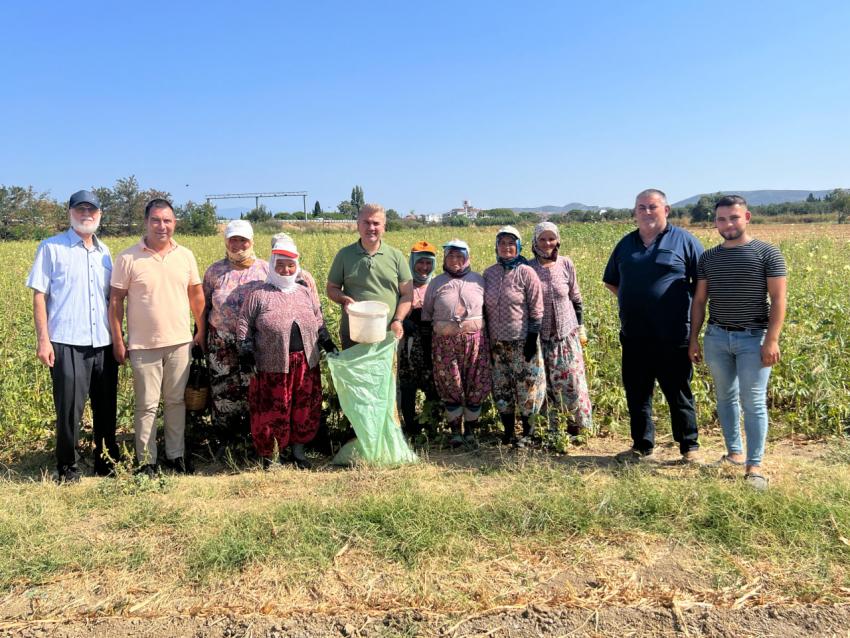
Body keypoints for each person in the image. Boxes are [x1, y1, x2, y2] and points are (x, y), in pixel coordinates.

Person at [688, 196, 787, 489]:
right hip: (717, 337)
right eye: (721, 219)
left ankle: (754, 466)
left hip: (754, 338)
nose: (728, 224)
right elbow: (699, 301)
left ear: (747, 217)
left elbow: (778, 299)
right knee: (725, 397)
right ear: (715, 222)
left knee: (753, 401)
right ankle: (734, 453)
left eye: (733, 217)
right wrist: (694, 339)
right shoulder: (708, 258)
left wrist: (772, 340)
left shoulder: (767, 253)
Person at [603, 189, 704, 463]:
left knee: (678, 392)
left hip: (673, 335)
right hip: (634, 335)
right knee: (637, 393)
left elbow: (702, 285)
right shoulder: (626, 244)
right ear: (635, 212)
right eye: (641, 207)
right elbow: (612, 281)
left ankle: (689, 447)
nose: (647, 212)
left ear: (666, 210)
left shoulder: (684, 241)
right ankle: (642, 446)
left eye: (653, 206)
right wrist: (637, 300)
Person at [26, 190, 119, 482]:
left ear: (100, 215)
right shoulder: (51, 248)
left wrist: (119, 338)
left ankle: (105, 461)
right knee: (69, 409)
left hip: (102, 342)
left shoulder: (105, 253)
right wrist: (43, 340)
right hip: (66, 342)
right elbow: (39, 296)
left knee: (106, 406)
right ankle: (68, 466)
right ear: (70, 213)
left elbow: (112, 299)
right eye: (80, 209)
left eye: (92, 210)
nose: (86, 214)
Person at [109, 198, 205, 476]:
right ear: (146, 222)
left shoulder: (185, 256)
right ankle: (146, 461)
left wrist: (201, 330)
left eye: (167, 220)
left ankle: (176, 455)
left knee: (176, 402)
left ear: (175, 223)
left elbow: (196, 296)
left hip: (180, 342)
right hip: (143, 346)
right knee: (146, 405)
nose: (161, 226)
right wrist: (118, 339)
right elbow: (115, 301)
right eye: (155, 220)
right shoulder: (127, 258)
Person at [237, 235, 338, 469]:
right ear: (272, 265)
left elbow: (318, 320)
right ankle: (272, 456)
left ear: (297, 266)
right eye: (280, 265)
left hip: (305, 364)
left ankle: (298, 452)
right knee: (273, 411)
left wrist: (328, 343)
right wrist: (246, 352)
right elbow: (244, 325)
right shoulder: (259, 294)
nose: (285, 270)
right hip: (271, 365)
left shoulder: (305, 292)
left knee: (303, 408)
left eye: (290, 265)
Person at [202, 220, 268, 449]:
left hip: (255, 342)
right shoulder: (214, 271)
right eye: (233, 240)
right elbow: (204, 307)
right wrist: (199, 337)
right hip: (220, 343)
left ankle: (254, 439)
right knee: (222, 391)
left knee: (254, 388)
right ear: (226, 242)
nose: (238, 245)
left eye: (243, 240)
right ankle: (225, 441)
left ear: (252, 241)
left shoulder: (265, 270)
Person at [422, 239, 492, 448]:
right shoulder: (436, 283)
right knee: (450, 385)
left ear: (467, 258)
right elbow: (427, 315)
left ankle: (470, 431)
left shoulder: (478, 281)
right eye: (451, 256)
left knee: (476, 384)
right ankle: (455, 432)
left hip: (475, 342)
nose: (455, 260)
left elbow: (488, 311)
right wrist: (427, 346)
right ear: (445, 259)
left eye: (460, 256)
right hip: (444, 344)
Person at [529, 222, 593, 442]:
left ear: (557, 240)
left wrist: (580, 328)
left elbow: (576, 297)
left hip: (566, 336)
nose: (547, 243)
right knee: (544, 384)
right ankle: (552, 429)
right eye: (542, 239)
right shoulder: (528, 268)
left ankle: (577, 427)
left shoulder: (566, 264)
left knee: (572, 382)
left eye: (551, 239)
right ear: (535, 241)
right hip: (540, 338)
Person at [483, 226, 546, 447]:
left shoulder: (526, 272)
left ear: (518, 246)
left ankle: (528, 433)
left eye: (511, 243)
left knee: (527, 387)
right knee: (502, 387)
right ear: (496, 246)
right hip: (497, 343)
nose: (506, 247)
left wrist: (532, 338)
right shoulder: (489, 274)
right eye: (502, 243)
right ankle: (508, 432)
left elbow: (537, 308)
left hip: (522, 341)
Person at [326, 203, 413, 348]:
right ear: (358, 225)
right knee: (354, 364)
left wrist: (398, 320)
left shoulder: (396, 256)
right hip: (354, 335)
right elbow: (331, 288)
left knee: (385, 365)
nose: (371, 228)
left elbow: (407, 294)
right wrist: (343, 299)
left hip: (387, 335)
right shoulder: (344, 255)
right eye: (366, 222)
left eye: (376, 223)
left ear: (384, 227)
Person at [398, 241, 439, 437]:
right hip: (408, 346)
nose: (424, 267)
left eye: (428, 263)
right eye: (420, 262)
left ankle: (432, 426)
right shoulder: (403, 286)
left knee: (434, 386)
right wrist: (403, 320)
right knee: (408, 387)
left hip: (432, 344)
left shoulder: (438, 284)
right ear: (412, 262)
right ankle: (411, 428)